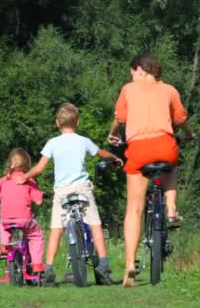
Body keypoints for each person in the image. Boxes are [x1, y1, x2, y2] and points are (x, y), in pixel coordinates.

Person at [108, 53, 196, 287]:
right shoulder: (169, 90)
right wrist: (189, 134)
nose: (133, 77)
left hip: (138, 150)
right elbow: (180, 119)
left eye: (133, 72)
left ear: (140, 70)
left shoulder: (129, 89)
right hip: (164, 145)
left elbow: (120, 118)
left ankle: (129, 263)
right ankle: (170, 208)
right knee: (172, 164)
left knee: (134, 208)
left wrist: (113, 133)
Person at [17, 103, 124, 286]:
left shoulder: (52, 143)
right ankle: (104, 266)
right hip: (82, 188)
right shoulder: (83, 140)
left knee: (56, 229)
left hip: (62, 191)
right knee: (95, 225)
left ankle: (49, 269)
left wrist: (24, 177)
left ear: (57, 122)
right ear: (78, 122)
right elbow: (101, 153)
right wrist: (115, 158)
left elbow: (40, 168)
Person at [0, 148, 45, 273]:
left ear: (10, 164)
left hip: (6, 219)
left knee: (3, 226)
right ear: (27, 166)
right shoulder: (29, 181)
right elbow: (39, 201)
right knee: (36, 236)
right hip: (25, 219)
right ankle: (37, 264)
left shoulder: (3, 181)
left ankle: (4, 245)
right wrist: (41, 195)